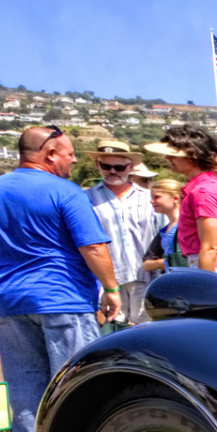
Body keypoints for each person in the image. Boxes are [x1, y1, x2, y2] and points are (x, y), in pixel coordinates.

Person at [0, 125, 121, 432]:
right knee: (75, 380)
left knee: (24, 381)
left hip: (11, 301)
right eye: (68, 153)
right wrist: (111, 289)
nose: (74, 159)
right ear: (49, 155)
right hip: (63, 298)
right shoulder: (65, 191)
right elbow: (93, 247)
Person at [144, 126, 217, 278]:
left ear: (192, 156)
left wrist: (203, 284)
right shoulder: (206, 186)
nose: (167, 158)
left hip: (212, 266)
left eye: (173, 155)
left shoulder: (202, 191)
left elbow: (210, 247)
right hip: (213, 263)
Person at [84, 139, 160, 326]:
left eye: (119, 167)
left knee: (147, 333)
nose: (112, 171)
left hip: (145, 277)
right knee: (112, 334)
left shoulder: (149, 198)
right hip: (105, 281)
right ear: (97, 165)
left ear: (130, 167)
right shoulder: (85, 199)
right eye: (106, 166)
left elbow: (163, 235)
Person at [141, 177, 188, 273]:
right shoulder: (165, 230)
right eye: (151, 197)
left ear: (175, 198)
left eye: (157, 197)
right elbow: (146, 264)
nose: (151, 201)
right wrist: (162, 262)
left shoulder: (188, 226)